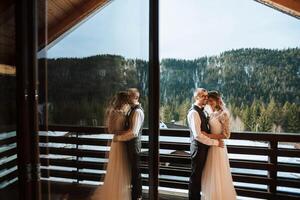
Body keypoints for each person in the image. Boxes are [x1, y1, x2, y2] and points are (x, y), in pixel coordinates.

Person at [91, 91, 131, 200]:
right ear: (122, 100)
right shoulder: (114, 112)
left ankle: (121, 194)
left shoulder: (125, 111)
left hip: (123, 143)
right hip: (117, 143)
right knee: (116, 169)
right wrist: (123, 132)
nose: (128, 102)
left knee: (123, 170)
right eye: (126, 100)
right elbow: (111, 129)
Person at [187, 88, 224, 200]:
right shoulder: (194, 112)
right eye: (203, 96)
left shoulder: (203, 111)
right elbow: (198, 135)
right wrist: (215, 142)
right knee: (196, 177)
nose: (206, 98)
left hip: (204, 148)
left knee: (200, 177)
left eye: (206, 96)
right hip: (198, 149)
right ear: (197, 97)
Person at [201, 90, 237, 200]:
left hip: (219, 147)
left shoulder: (223, 114)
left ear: (217, 101)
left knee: (219, 174)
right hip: (211, 147)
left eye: (211, 101)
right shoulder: (211, 113)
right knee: (211, 175)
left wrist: (208, 135)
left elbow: (226, 135)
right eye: (208, 101)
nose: (209, 103)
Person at [114, 88, 144, 200]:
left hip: (134, 146)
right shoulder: (131, 110)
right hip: (129, 145)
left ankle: (137, 197)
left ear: (135, 97)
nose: (127, 97)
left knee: (136, 172)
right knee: (132, 172)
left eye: (129, 96)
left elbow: (134, 133)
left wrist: (119, 138)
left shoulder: (137, 111)